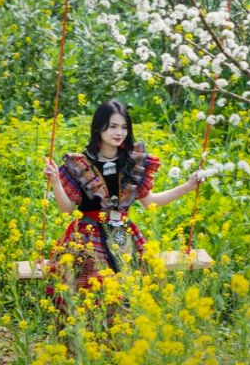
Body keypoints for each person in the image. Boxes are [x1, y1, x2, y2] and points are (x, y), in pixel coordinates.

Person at [43, 99, 204, 292]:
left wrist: (188, 186)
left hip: (124, 234)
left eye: (124, 127)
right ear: (99, 128)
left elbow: (150, 202)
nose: (119, 133)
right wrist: (55, 181)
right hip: (87, 235)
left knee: (136, 286)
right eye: (112, 127)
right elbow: (67, 209)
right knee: (94, 286)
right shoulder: (79, 164)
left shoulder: (132, 163)